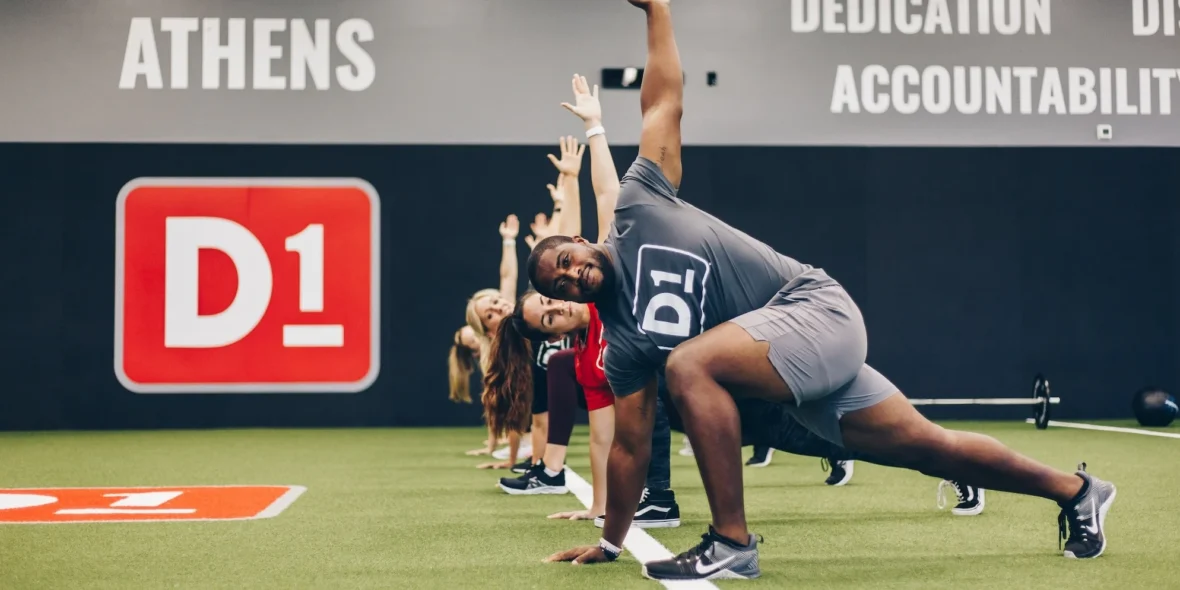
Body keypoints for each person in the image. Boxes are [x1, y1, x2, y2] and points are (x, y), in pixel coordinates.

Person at [535, 0, 1114, 581]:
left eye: (566, 261)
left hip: (812, 309)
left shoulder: (641, 202)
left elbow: (663, 101)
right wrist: (611, 543)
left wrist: (657, 11)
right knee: (926, 447)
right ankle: (1078, 492)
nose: (571, 276)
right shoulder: (625, 345)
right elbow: (630, 448)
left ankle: (731, 542)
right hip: (788, 368)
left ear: (580, 241)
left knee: (687, 364)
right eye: (560, 285)